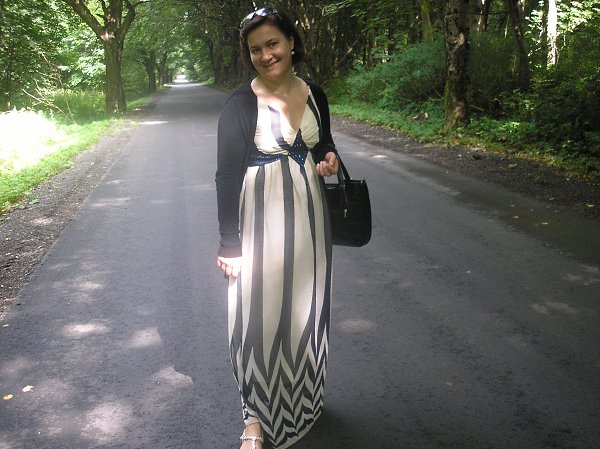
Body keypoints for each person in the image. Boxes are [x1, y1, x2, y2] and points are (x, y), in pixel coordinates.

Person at [215, 7, 339, 449]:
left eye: (272, 44)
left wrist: (328, 158)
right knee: (256, 319)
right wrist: (230, 244)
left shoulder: (314, 93)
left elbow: (323, 143)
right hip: (259, 223)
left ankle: (304, 400)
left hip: (310, 221)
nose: (266, 55)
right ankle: (254, 418)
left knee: (306, 309)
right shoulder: (240, 104)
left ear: (290, 42)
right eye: (256, 49)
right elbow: (226, 176)